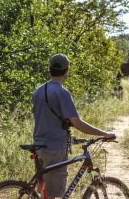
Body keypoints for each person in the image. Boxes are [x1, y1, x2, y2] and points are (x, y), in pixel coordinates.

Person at [32, 53, 115, 199]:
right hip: (54, 148)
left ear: (50, 68)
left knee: (44, 192)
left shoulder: (38, 90)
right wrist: (103, 134)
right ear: (66, 70)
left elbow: (46, 120)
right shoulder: (62, 92)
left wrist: (69, 137)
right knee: (54, 195)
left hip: (39, 145)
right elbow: (77, 123)